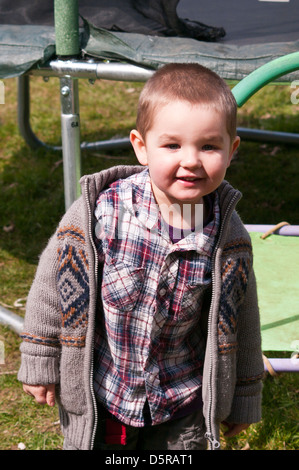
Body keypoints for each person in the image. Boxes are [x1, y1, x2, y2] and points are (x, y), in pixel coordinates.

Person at [18, 63, 264, 451]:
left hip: (184, 400)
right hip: (106, 395)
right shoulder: (100, 213)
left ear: (231, 150)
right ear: (140, 145)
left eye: (209, 146)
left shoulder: (226, 236)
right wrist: (40, 357)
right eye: (172, 145)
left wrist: (244, 396)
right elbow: (53, 288)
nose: (191, 160)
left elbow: (242, 321)